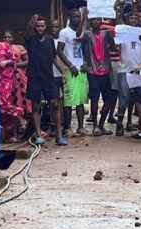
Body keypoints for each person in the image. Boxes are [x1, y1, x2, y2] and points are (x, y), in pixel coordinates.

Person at [25, 14, 77, 146]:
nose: (40, 28)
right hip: (34, 77)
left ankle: (59, 136)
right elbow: (28, 29)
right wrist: (32, 21)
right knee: (36, 106)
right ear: (35, 27)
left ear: (45, 27)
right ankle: (38, 135)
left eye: (42, 26)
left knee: (55, 104)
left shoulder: (49, 41)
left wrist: (63, 72)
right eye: (38, 26)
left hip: (48, 77)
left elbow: (53, 58)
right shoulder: (30, 40)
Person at [81, 13, 117, 136]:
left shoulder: (106, 34)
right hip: (92, 71)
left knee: (108, 99)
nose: (96, 21)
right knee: (95, 99)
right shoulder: (86, 34)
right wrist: (83, 17)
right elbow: (78, 36)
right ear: (90, 22)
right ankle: (96, 126)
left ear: (101, 21)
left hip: (105, 70)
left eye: (98, 19)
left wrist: (112, 39)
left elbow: (113, 48)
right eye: (93, 20)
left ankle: (102, 125)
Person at [114, 11, 141, 136]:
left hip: (139, 70)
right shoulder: (122, 32)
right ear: (127, 20)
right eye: (131, 18)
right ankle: (119, 124)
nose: (133, 20)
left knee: (137, 98)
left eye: (135, 18)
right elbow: (115, 45)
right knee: (123, 98)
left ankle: (134, 123)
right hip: (124, 69)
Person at [57, 9, 88, 137]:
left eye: (78, 17)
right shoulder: (64, 32)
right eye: (74, 16)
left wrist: (86, 62)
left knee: (81, 100)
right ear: (70, 17)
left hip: (81, 69)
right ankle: (67, 128)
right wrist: (70, 65)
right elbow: (59, 50)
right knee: (68, 101)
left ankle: (81, 127)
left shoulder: (82, 33)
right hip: (70, 70)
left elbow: (86, 49)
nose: (77, 19)